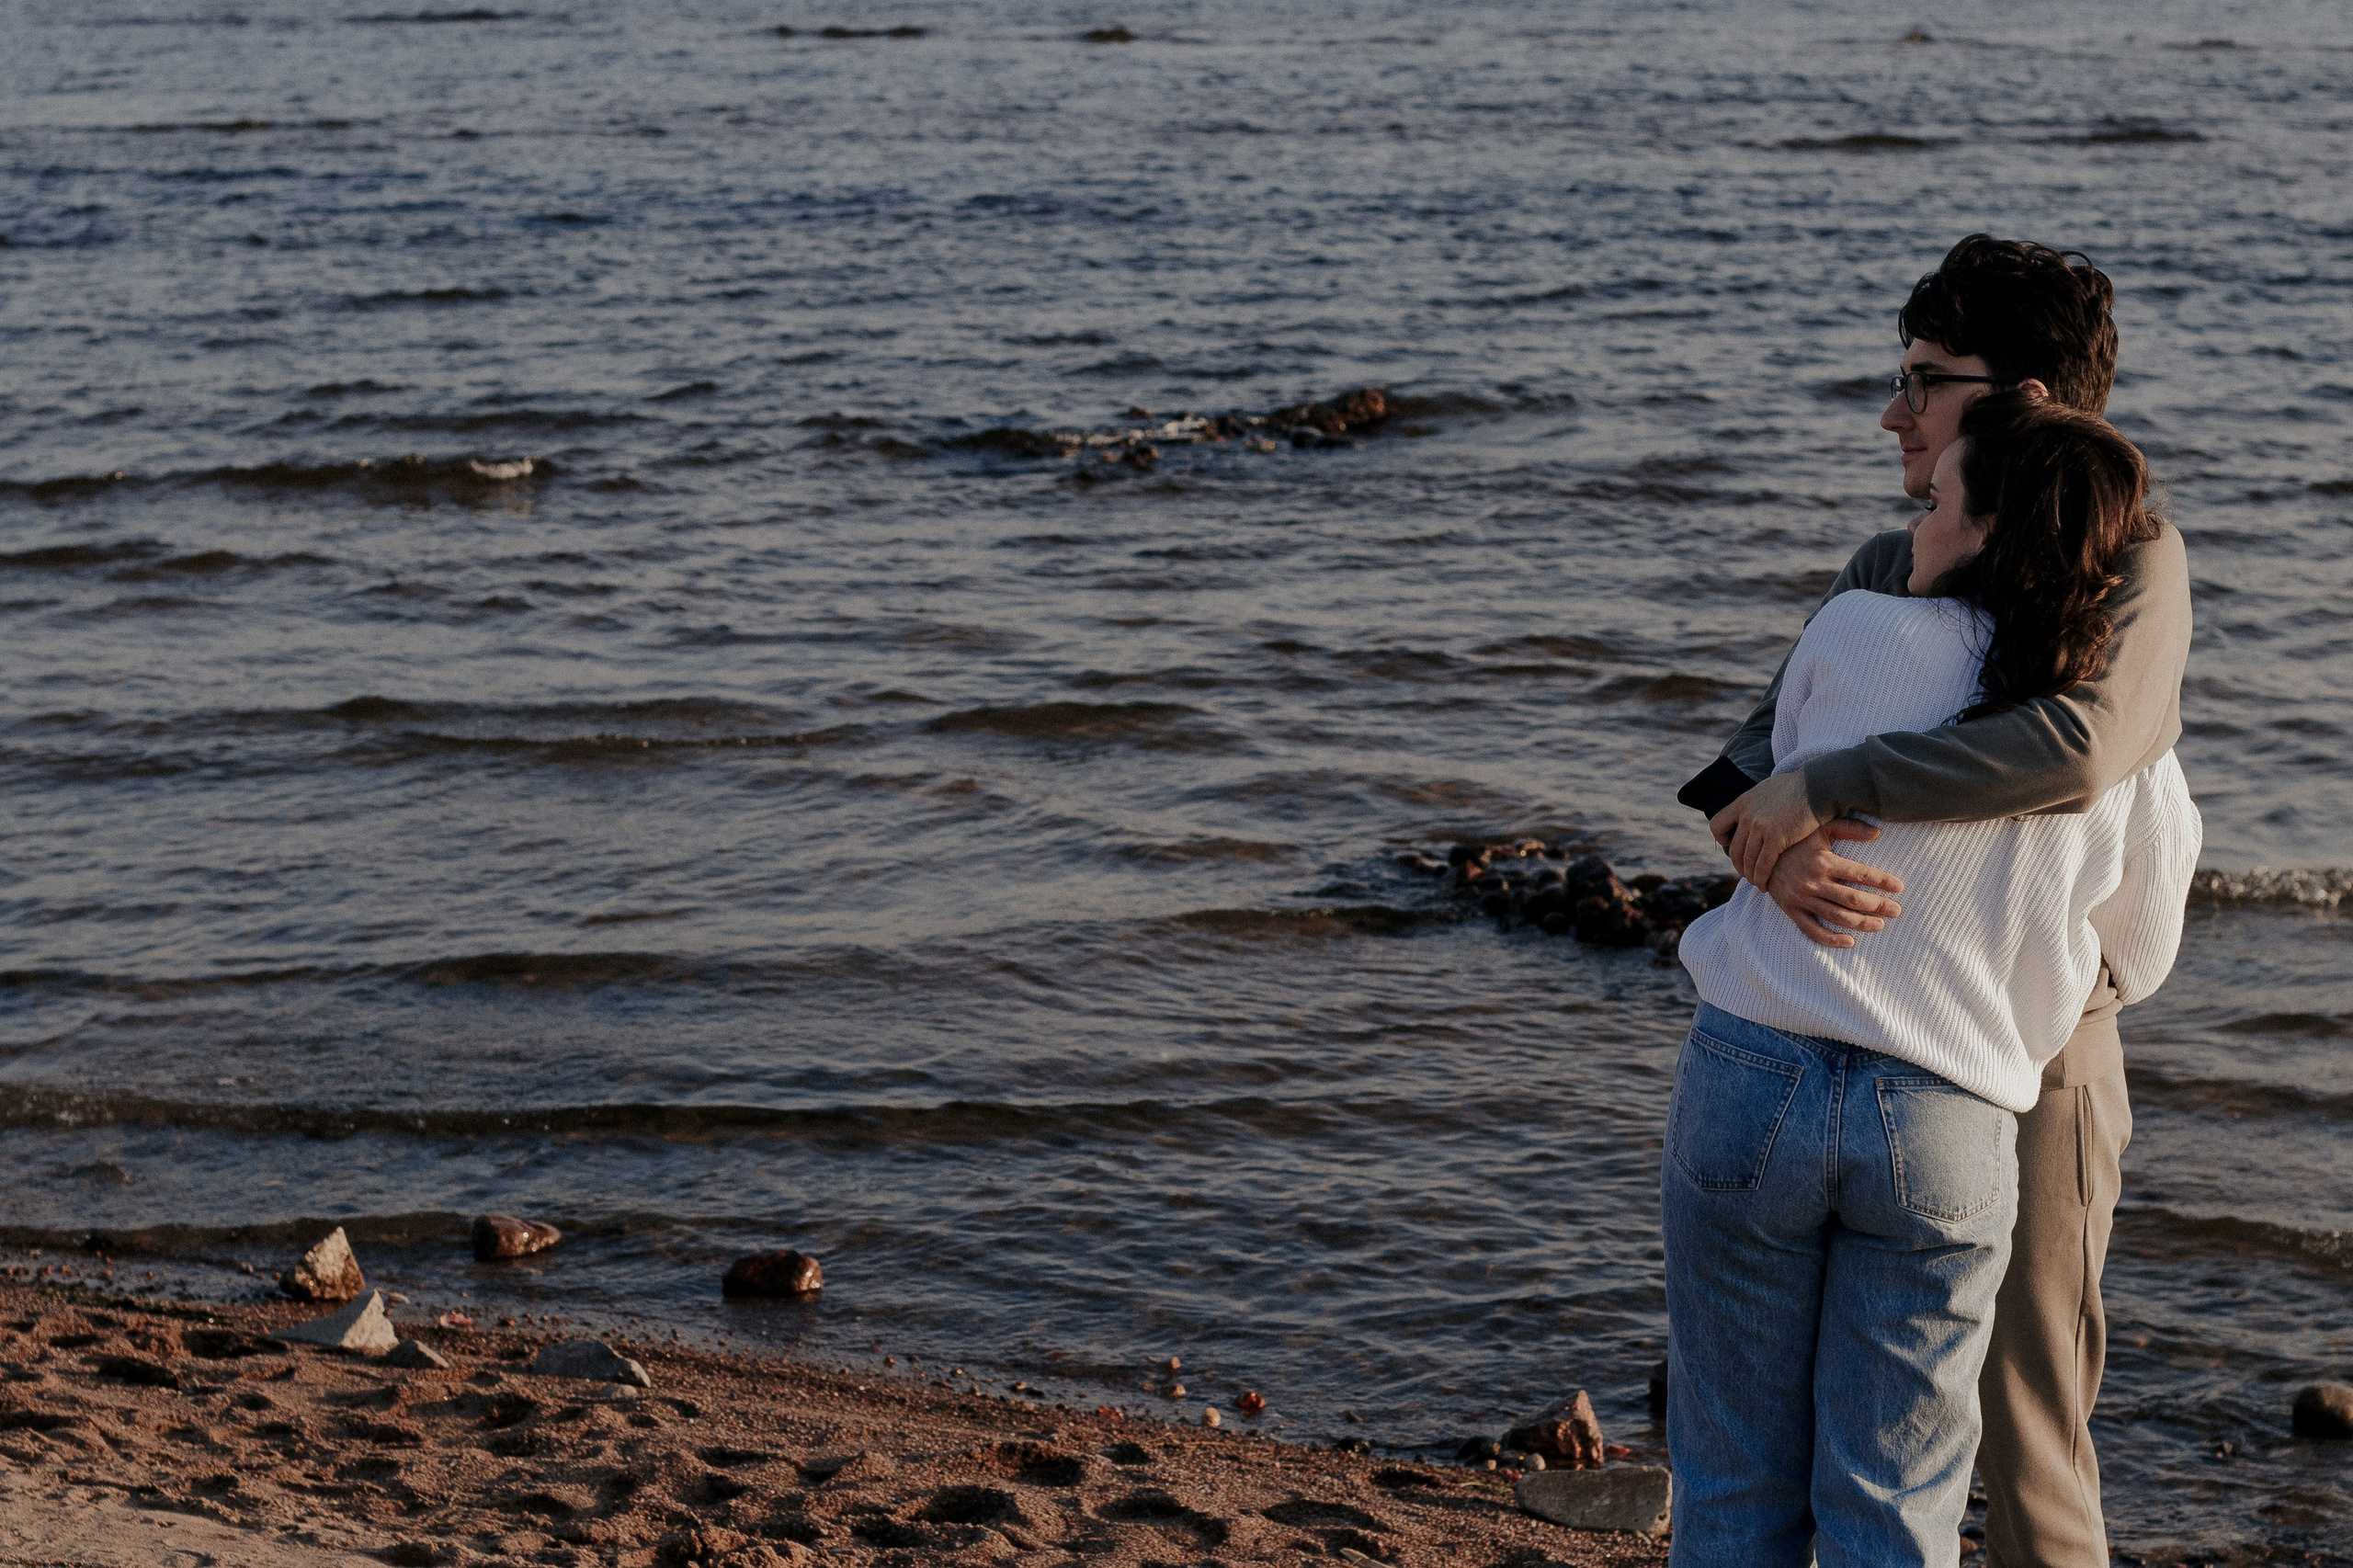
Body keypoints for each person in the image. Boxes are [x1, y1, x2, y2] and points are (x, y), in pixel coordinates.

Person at [1690, 236, 2193, 1568]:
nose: (1892, 412)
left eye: (1923, 379)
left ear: (2024, 399)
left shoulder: (2142, 560)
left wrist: (1841, 780)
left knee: (2029, 1435)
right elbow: (1748, 765)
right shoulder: (1881, 558)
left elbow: (2084, 745)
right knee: (1831, 1450)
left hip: (2040, 1036)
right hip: (1856, 1027)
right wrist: (1776, 851)